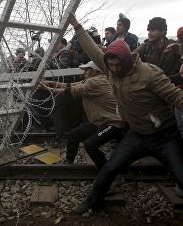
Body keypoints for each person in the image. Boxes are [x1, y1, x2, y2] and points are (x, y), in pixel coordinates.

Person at [68, 11, 183, 215]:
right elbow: (93, 49)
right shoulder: (110, 66)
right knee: (110, 169)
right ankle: (93, 202)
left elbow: (176, 97)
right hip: (136, 134)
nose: (114, 69)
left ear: (128, 60)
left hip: (164, 135)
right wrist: (76, 25)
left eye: (118, 64)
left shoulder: (150, 74)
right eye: (110, 65)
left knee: (180, 175)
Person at [41, 61, 126, 168]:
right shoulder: (94, 79)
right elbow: (71, 85)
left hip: (113, 123)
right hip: (100, 122)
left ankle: (107, 170)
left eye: (86, 69)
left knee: (90, 145)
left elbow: (69, 90)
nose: (84, 72)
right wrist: (51, 83)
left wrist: (48, 89)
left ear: (94, 70)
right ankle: (69, 161)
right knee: (73, 135)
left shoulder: (95, 82)